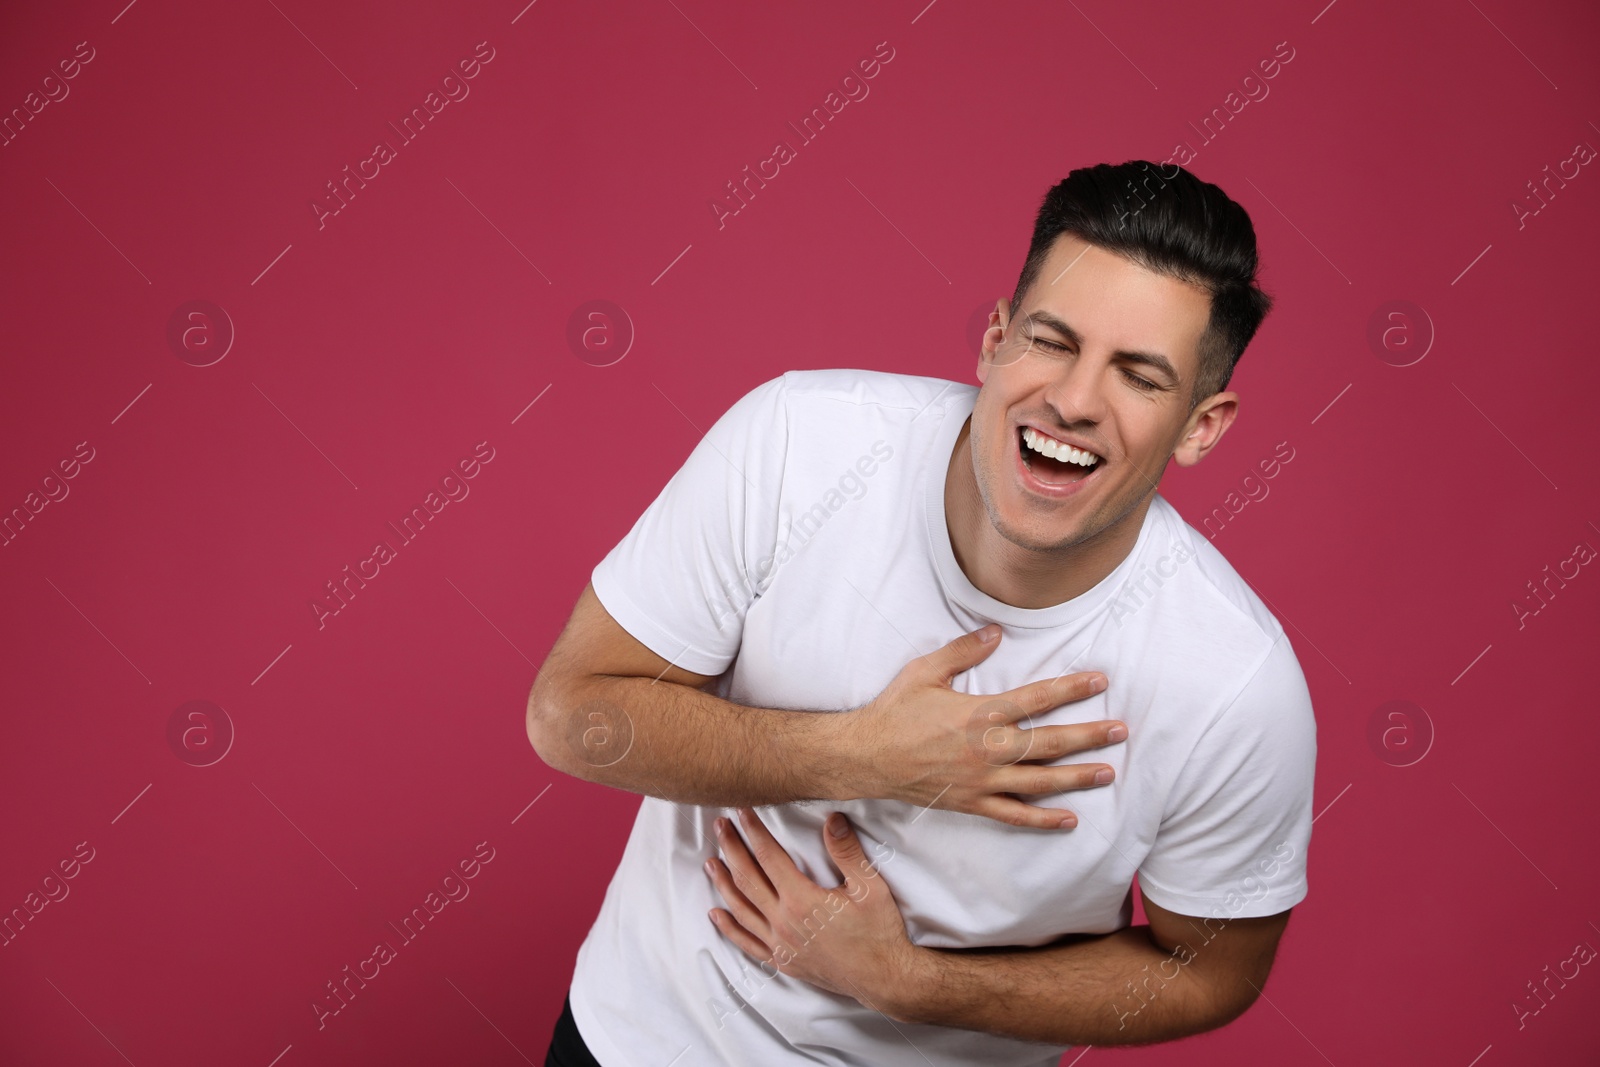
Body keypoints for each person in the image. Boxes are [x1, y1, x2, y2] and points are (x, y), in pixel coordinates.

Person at [526, 160, 1318, 1066]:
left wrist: (914, 986)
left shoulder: (1233, 684)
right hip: (641, 1042)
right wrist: (863, 756)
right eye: (1052, 341)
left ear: (1201, 425)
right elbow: (570, 714)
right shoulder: (798, 445)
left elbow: (1213, 971)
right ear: (993, 340)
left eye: (1138, 376)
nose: (1073, 400)